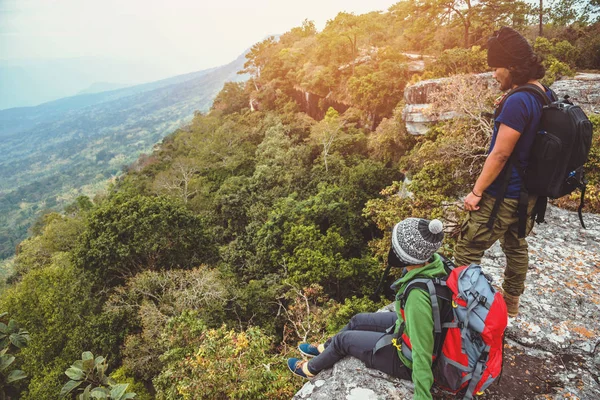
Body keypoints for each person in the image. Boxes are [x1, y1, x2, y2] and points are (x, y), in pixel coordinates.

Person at [288, 217, 446, 400]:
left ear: (404, 255)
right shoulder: (435, 263)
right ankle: (324, 348)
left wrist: (422, 396)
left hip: (406, 360)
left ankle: (310, 369)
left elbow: (421, 352)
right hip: (411, 327)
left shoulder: (418, 297)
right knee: (357, 320)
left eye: (394, 246)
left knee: (343, 341)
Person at [454, 27, 552, 317]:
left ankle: (462, 311)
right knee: (515, 244)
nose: (494, 74)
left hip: (503, 195)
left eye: (496, 68)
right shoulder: (543, 93)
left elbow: (500, 154)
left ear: (511, 66)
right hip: (528, 194)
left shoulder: (518, 100)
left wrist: (476, 192)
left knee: (466, 251)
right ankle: (510, 303)